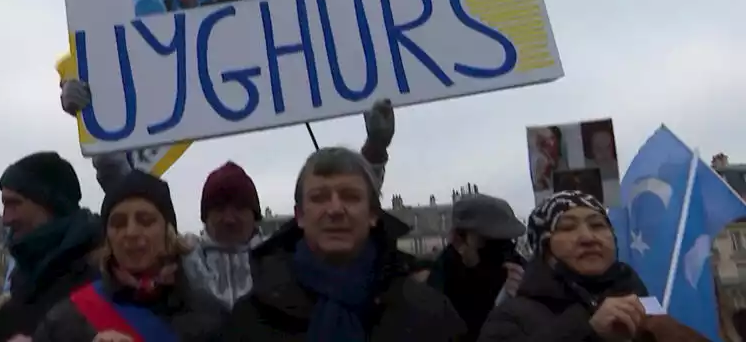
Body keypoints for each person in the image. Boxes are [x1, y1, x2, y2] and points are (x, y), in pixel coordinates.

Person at [61, 75, 401, 310]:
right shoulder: (179, 259)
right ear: (203, 216)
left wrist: (375, 147)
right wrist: (93, 119)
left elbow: (349, 209)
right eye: (218, 207)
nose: (228, 216)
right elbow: (127, 192)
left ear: (256, 214)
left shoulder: (285, 258)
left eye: (239, 206)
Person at [225, 147, 465, 341]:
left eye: (350, 196)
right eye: (319, 198)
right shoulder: (251, 319)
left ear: (373, 214)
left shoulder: (429, 313)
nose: (335, 210)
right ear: (299, 216)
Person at [478, 191, 712, 342]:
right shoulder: (511, 316)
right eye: (568, 227)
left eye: (598, 225)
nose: (588, 237)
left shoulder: (647, 308)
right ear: (545, 248)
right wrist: (587, 332)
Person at [33, 170, 225, 341]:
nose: (131, 232)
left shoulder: (210, 316)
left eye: (146, 220)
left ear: (169, 232)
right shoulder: (66, 319)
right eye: (118, 223)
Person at [0, 151, 100, 341]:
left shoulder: (101, 277)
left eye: (14, 204)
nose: (6, 219)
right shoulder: (20, 286)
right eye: (4, 205)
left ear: (52, 205)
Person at [426, 194, 527, 342]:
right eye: (488, 241)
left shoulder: (522, 273)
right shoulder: (435, 293)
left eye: (507, 241)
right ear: (458, 240)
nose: (501, 251)